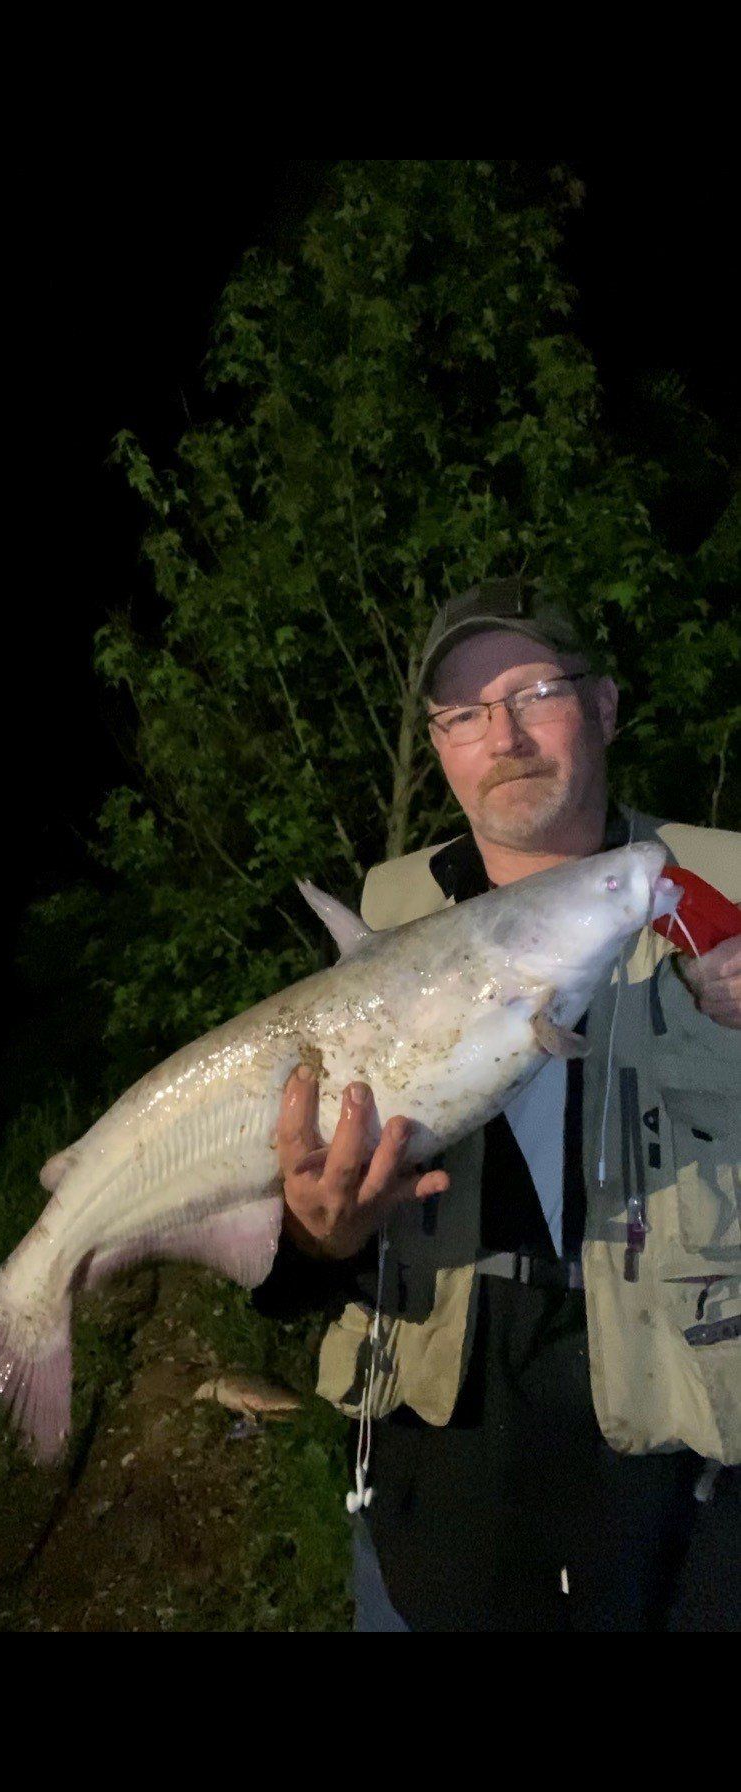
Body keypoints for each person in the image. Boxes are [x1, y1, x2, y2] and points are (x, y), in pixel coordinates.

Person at [256, 577, 741, 1632]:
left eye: (534, 690)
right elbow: (285, 1253)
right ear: (437, 745)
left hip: (690, 1481)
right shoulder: (374, 930)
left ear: (605, 705)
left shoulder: (722, 889)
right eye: (464, 714)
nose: (504, 735)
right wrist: (316, 1235)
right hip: (445, 1468)